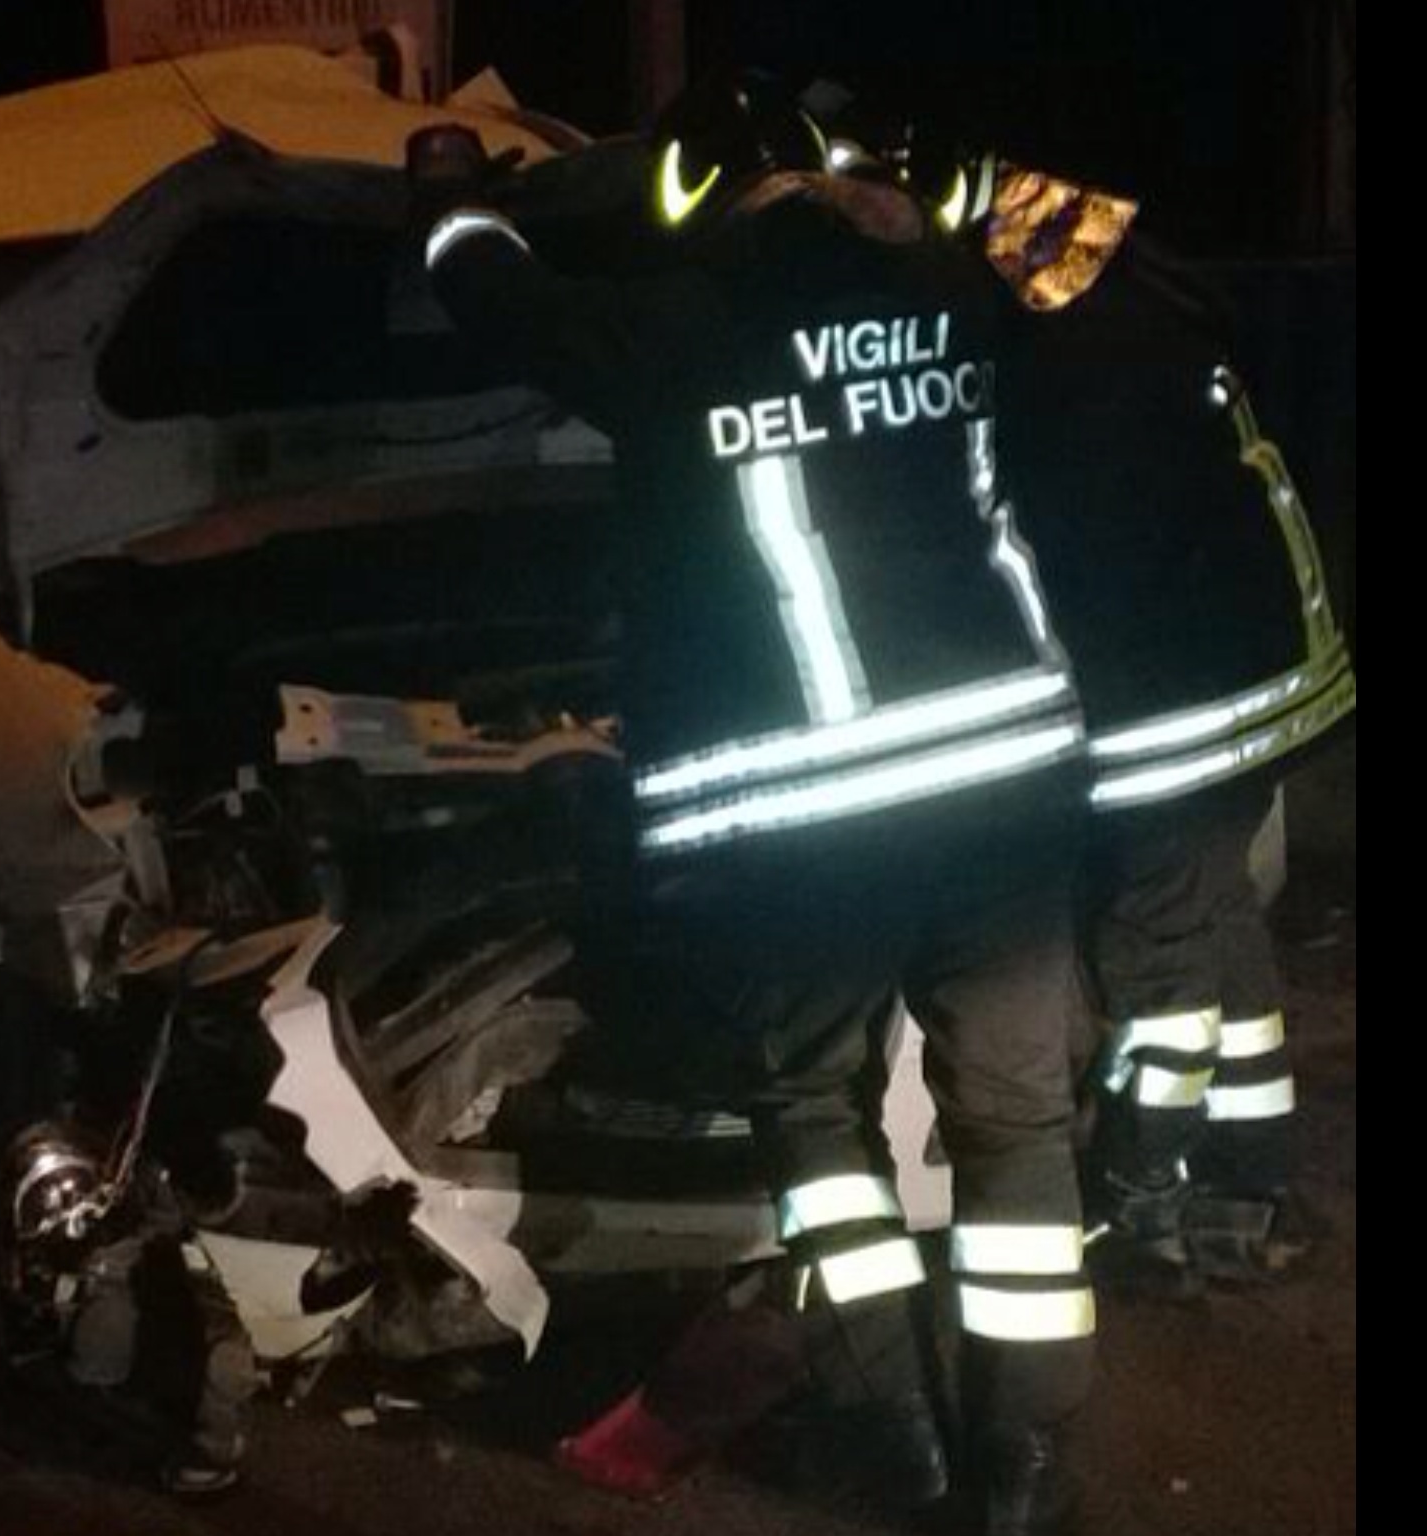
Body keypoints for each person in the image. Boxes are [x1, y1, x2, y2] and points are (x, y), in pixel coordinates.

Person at [412, 72, 1097, 1536]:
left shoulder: (674, 327)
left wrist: (449, 186)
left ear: (695, 202)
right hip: (1003, 792)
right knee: (1018, 1125)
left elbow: (490, 293)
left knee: (814, 1122)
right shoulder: (949, 288)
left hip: (809, 825)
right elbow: (1081, 256)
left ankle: (894, 1439)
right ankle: (1024, 1472)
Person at [926, 148, 1356, 1292]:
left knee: (1154, 958)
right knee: (1215, 918)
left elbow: (1028, 541)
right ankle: (1247, 1183)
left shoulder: (1060, 366)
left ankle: (1139, 1200)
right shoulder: (1149, 302)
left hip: (1170, 716)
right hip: (1267, 682)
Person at [0, 1120, 258, 1496]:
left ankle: (204, 1446)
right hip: (142, 1223)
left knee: (212, 1350)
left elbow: (202, 1207)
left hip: (175, 1251)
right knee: (98, 1281)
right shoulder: (157, 1130)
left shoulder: (211, 1160)